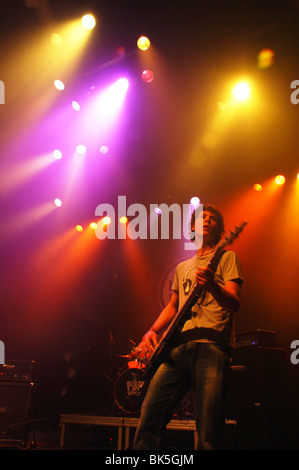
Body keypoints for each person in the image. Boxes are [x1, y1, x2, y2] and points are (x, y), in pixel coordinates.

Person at [133, 204, 243, 450]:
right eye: (202, 217)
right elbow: (173, 306)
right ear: (193, 227)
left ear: (222, 231)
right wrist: (152, 331)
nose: (207, 220)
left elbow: (234, 303)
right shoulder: (183, 267)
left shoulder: (227, 258)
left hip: (212, 346)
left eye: (212, 218)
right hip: (177, 348)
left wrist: (213, 286)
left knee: (208, 428)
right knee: (150, 415)